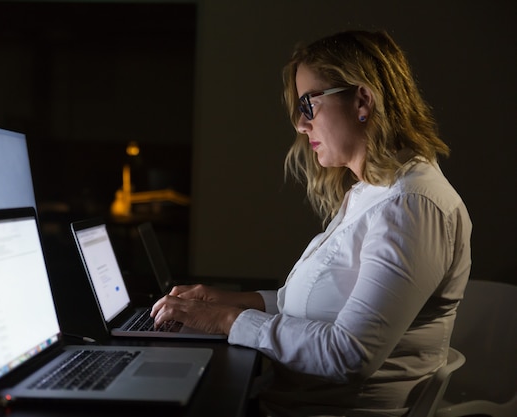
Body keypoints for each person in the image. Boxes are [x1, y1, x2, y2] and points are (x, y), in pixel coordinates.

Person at [151, 30, 472, 417]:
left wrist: (227, 319)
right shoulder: (371, 192)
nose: (301, 126)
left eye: (308, 105)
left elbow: (349, 354)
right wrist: (232, 301)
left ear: (362, 100)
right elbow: (316, 308)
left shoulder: (412, 206)